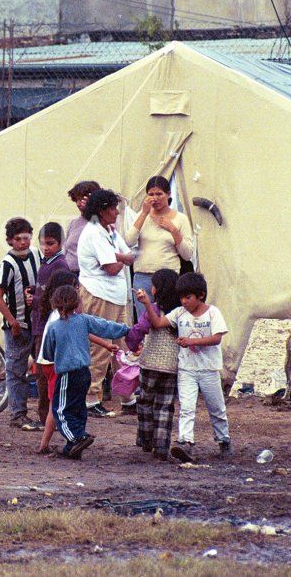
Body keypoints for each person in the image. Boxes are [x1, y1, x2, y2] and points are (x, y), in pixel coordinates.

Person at [144, 272, 230, 463]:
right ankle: (185, 442)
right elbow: (157, 323)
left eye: (188, 297)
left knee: (216, 408)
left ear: (201, 295)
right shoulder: (179, 313)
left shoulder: (213, 312)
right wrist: (147, 304)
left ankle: (223, 439)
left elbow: (217, 338)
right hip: (187, 369)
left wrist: (192, 341)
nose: (183, 301)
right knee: (186, 408)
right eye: (181, 297)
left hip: (208, 369)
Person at [34, 270, 119, 454]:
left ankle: (72, 440)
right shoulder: (63, 320)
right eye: (76, 289)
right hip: (57, 366)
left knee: (61, 407)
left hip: (60, 366)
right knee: (65, 405)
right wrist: (118, 335)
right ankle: (63, 443)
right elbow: (96, 328)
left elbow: (56, 344)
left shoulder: (63, 319)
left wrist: (105, 344)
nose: (79, 294)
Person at [76, 188, 136, 418]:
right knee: (100, 349)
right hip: (99, 295)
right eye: (113, 208)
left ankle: (128, 397)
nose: (117, 212)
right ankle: (90, 399)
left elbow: (130, 256)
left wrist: (117, 256)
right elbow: (111, 268)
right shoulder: (94, 233)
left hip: (116, 296)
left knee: (123, 347)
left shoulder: (109, 230)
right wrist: (119, 258)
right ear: (102, 211)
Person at [128, 268, 181, 460]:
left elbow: (139, 329)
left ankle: (146, 439)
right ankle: (161, 445)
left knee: (145, 401)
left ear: (157, 289)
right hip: (171, 366)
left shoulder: (154, 309)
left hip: (150, 363)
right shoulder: (180, 312)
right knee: (165, 405)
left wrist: (132, 345)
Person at [0, 217, 40, 430]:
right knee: (16, 371)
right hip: (17, 326)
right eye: (18, 239)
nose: (23, 243)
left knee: (43, 367)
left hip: (37, 323)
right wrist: (12, 322)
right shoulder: (7, 264)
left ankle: (45, 413)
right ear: (10, 240)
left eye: (26, 238)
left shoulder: (36, 255)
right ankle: (18, 414)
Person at [125, 176, 194, 321]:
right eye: (151, 194)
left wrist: (173, 230)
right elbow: (129, 241)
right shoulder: (141, 216)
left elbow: (187, 254)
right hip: (143, 276)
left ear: (168, 194)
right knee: (144, 321)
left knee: (168, 320)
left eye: (159, 194)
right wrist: (144, 213)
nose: (155, 198)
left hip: (168, 277)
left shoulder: (180, 219)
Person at [30, 221, 70, 424]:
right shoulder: (46, 263)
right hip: (41, 325)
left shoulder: (59, 265)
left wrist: (35, 301)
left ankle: (46, 418)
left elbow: (58, 300)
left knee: (45, 374)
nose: (45, 248)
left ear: (60, 243)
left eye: (50, 243)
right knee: (42, 373)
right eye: (43, 243)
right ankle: (47, 417)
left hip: (49, 327)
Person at [63, 181, 100, 273]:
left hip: (90, 273)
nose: (78, 204)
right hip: (70, 272)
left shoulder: (99, 222)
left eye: (81, 200)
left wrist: (92, 210)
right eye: (76, 200)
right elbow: (65, 250)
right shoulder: (73, 223)